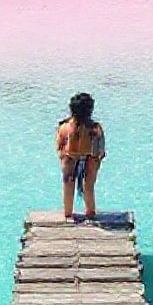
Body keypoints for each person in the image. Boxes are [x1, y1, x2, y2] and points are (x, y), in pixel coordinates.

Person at [55, 92, 106, 222]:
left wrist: (63, 157)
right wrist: (97, 160)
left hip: (70, 158)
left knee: (68, 184)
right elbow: (99, 150)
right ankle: (90, 212)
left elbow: (60, 145)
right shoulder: (95, 128)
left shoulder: (65, 126)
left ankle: (68, 214)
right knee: (88, 186)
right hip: (89, 159)